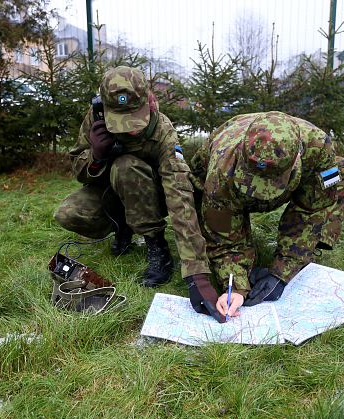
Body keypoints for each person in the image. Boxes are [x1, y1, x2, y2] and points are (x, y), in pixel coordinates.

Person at [54, 66, 225, 321]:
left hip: (151, 195)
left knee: (127, 166)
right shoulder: (94, 119)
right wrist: (95, 156)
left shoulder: (162, 130)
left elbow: (178, 192)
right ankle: (122, 226)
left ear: (149, 100)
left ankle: (156, 244)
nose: (131, 129)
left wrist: (196, 274)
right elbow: (79, 171)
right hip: (111, 192)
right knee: (68, 213)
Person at [189, 111, 344, 319]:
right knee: (207, 221)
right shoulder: (220, 172)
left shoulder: (319, 148)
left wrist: (282, 273)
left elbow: (310, 211)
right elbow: (223, 238)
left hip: (308, 168)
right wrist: (237, 287)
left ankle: (312, 249)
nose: (263, 195)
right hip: (215, 181)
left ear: (297, 158)